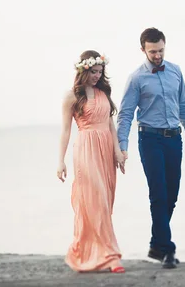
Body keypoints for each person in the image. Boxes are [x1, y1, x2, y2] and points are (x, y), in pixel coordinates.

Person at [117, 27, 185, 269]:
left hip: (174, 139)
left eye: (161, 50)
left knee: (171, 196)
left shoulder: (175, 71)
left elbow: (184, 104)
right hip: (150, 140)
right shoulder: (136, 78)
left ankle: (156, 244)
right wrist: (122, 147)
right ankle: (168, 250)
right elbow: (125, 115)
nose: (157, 55)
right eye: (152, 51)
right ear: (143, 49)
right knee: (159, 195)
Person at [57, 50, 127, 273]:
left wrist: (118, 151)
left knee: (105, 201)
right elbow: (66, 131)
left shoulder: (103, 92)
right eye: (94, 71)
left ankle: (93, 253)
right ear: (83, 70)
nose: (97, 75)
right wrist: (61, 161)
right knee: (95, 201)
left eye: (100, 71)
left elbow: (110, 125)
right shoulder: (71, 96)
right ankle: (110, 256)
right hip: (86, 150)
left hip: (106, 149)